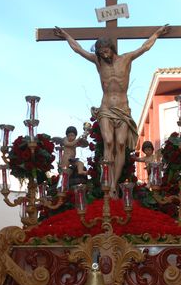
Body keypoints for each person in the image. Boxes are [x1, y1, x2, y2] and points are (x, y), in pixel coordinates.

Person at [54, 24, 170, 196]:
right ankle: (107, 182)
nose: (103, 54)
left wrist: (158, 33)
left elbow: (145, 47)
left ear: (111, 48)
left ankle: (114, 185)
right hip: (106, 107)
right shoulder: (98, 62)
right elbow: (78, 49)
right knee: (108, 141)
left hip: (123, 109)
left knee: (121, 144)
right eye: (100, 52)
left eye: (106, 50)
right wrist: (65, 36)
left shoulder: (126, 58)